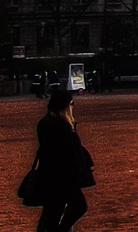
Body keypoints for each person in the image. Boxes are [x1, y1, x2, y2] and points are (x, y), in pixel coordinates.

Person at [34, 89, 92, 232]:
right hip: (63, 176)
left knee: (53, 211)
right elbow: (69, 152)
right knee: (77, 206)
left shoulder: (46, 123)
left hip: (50, 175)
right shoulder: (61, 126)